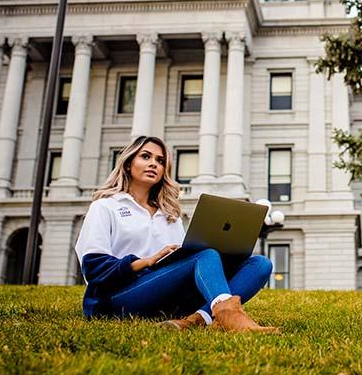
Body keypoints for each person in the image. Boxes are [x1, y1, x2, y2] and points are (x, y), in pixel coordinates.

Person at [74, 135, 277, 332]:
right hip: (118, 297)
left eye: (160, 161)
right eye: (146, 156)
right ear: (128, 163)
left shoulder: (170, 215)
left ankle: (197, 319)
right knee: (207, 256)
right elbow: (94, 268)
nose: (154, 164)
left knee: (260, 264)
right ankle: (228, 315)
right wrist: (145, 262)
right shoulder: (105, 206)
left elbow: (181, 264)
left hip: (166, 297)